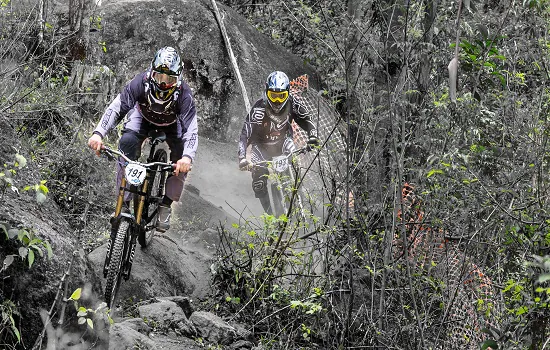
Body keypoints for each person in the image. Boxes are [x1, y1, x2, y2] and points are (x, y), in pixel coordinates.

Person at [88, 46, 198, 232]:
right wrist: (98, 134)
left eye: (169, 78)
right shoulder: (139, 82)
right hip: (142, 119)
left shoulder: (184, 95)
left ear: (177, 78)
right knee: (126, 144)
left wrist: (186, 158)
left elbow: (191, 131)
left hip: (172, 125)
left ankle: (166, 204)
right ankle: (124, 202)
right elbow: (116, 108)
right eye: (159, 76)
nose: (163, 83)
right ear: (151, 71)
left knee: (179, 158)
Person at [238, 71, 319, 214]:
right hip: (261, 148)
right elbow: (245, 134)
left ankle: (298, 200)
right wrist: (243, 158)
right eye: (273, 96)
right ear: (266, 92)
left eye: (281, 96)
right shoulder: (258, 109)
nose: (277, 101)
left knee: (294, 165)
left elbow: (306, 119)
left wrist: (312, 136)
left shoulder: (292, 103)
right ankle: (270, 219)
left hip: (283, 143)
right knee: (258, 182)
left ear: (287, 93)